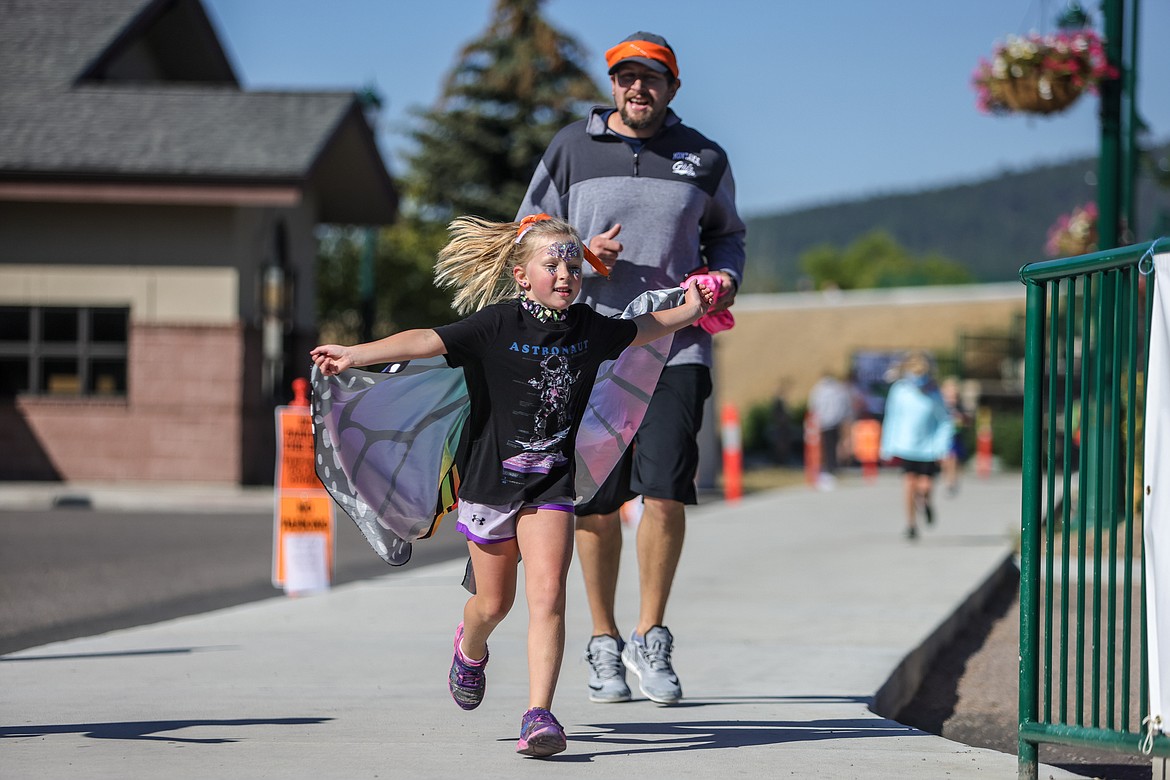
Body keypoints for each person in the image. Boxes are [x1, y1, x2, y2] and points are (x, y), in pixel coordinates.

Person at [310, 214, 712, 757]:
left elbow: (644, 329)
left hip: (551, 487)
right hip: (488, 487)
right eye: (553, 264)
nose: (566, 274)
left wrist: (692, 309)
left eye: (574, 265)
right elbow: (427, 340)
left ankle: (539, 714)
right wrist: (357, 353)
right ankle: (469, 649)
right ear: (523, 276)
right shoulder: (496, 325)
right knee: (493, 604)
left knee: (548, 600)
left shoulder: (589, 329)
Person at [516, 31, 746, 705]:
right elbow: (529, 231)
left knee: (666, 490)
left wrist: (724, 277)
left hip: (677, 344)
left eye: (651, 78)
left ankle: (652, 635)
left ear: (672, 88)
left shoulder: (704, 156)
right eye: (625, 77)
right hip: (589, 344)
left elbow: (728, 234)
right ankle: (604, 641)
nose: (636, 88)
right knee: (595, 499)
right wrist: (580, 255)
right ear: (612, 84)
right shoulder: (570, 148)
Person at [879, 352, 954, 540]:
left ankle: (925, 503)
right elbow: (892, 417)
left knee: (925, 486)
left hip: (928, 448)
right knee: (909, 484)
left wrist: (942, 447)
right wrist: (886, 446)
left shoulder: (934, 394)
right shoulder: (900, 390)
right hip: (906, 446)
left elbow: (944, 421)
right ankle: (911, 524)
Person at [807, 371, 854, 490]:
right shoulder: (838, 389)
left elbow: (813, 406)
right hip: (835, 422)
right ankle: (832, 468)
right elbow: (844, 406)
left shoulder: (818, 390)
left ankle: (827, 468)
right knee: (833, 447)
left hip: (823, 423)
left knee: (825, 447)